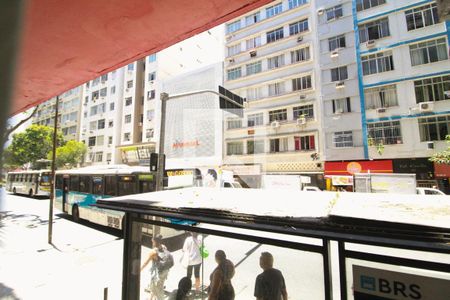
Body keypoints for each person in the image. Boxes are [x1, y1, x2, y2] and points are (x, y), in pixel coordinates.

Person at [141, 235, 174, 300]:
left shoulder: (153, 252)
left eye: (152, 241)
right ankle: (151, 298)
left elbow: (145, 263)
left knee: (159, 290)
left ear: (155, 242)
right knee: (155, 286)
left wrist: (139, 270)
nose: (152, 242)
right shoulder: (164, 247)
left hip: (157, 274)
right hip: (165, 271)